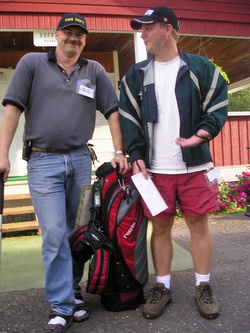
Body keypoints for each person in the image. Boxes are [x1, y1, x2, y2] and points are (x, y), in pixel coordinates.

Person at [0, 13, 129, 333]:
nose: (74, 38)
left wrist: (119, 151)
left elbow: (113, 112)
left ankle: (71, 291)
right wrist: (2, 153)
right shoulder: (31, 63)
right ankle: (60, 306)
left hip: (80, 160)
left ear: (84, 39)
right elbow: (12, 108)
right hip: (44, 162)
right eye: (69, 32)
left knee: (76, 234)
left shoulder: (95, 70)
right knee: (55, 234)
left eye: (80, 34)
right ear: (57, 35)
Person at [119, 6, 228, 320]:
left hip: (195, 167)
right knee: (161, 227)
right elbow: (129, 120)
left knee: (198, 226)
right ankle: (162, 286)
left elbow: (217, 105)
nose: (142, 33)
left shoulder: (201, 68)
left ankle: (203, 285)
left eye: (147, 27)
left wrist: (202, 134)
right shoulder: (136, 75)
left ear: (167, 28)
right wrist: (136, 156)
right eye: (140, 28)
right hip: (155, 170)